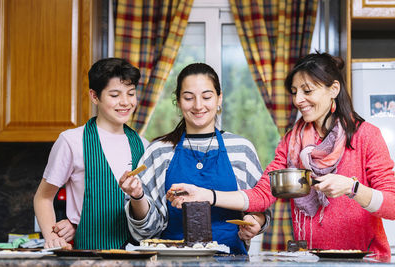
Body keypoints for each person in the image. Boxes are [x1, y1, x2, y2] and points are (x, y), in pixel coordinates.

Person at [167, 53, 395, 260]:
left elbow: (392, 206)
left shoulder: (366, 136)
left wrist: (352, 188)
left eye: (307, 91)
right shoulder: (292, 141)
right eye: (294, 92)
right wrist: (205, 195)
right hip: (312, 260)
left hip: (366, 261)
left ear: (333, 89)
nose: (298, 100)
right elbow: (261, 195)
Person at [119, 63, 270, 255]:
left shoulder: (242, 150)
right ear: (179, 101)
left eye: (206, 97)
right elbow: (146, 231)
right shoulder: (159, 152)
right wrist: (137, 196)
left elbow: (260, 208)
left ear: (219, 98)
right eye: (189, 98)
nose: (198, 105)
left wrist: (255, 222)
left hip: (231, 260)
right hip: (172, 262)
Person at [33, 58, 148, 250]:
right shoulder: (72, 141)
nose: (125, 102)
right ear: (94, 96)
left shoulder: (143, 145)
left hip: (136, 256)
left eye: (131, 94)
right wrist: (53, 237)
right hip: (88, 256)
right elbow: (43, 197)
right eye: (114, 95)